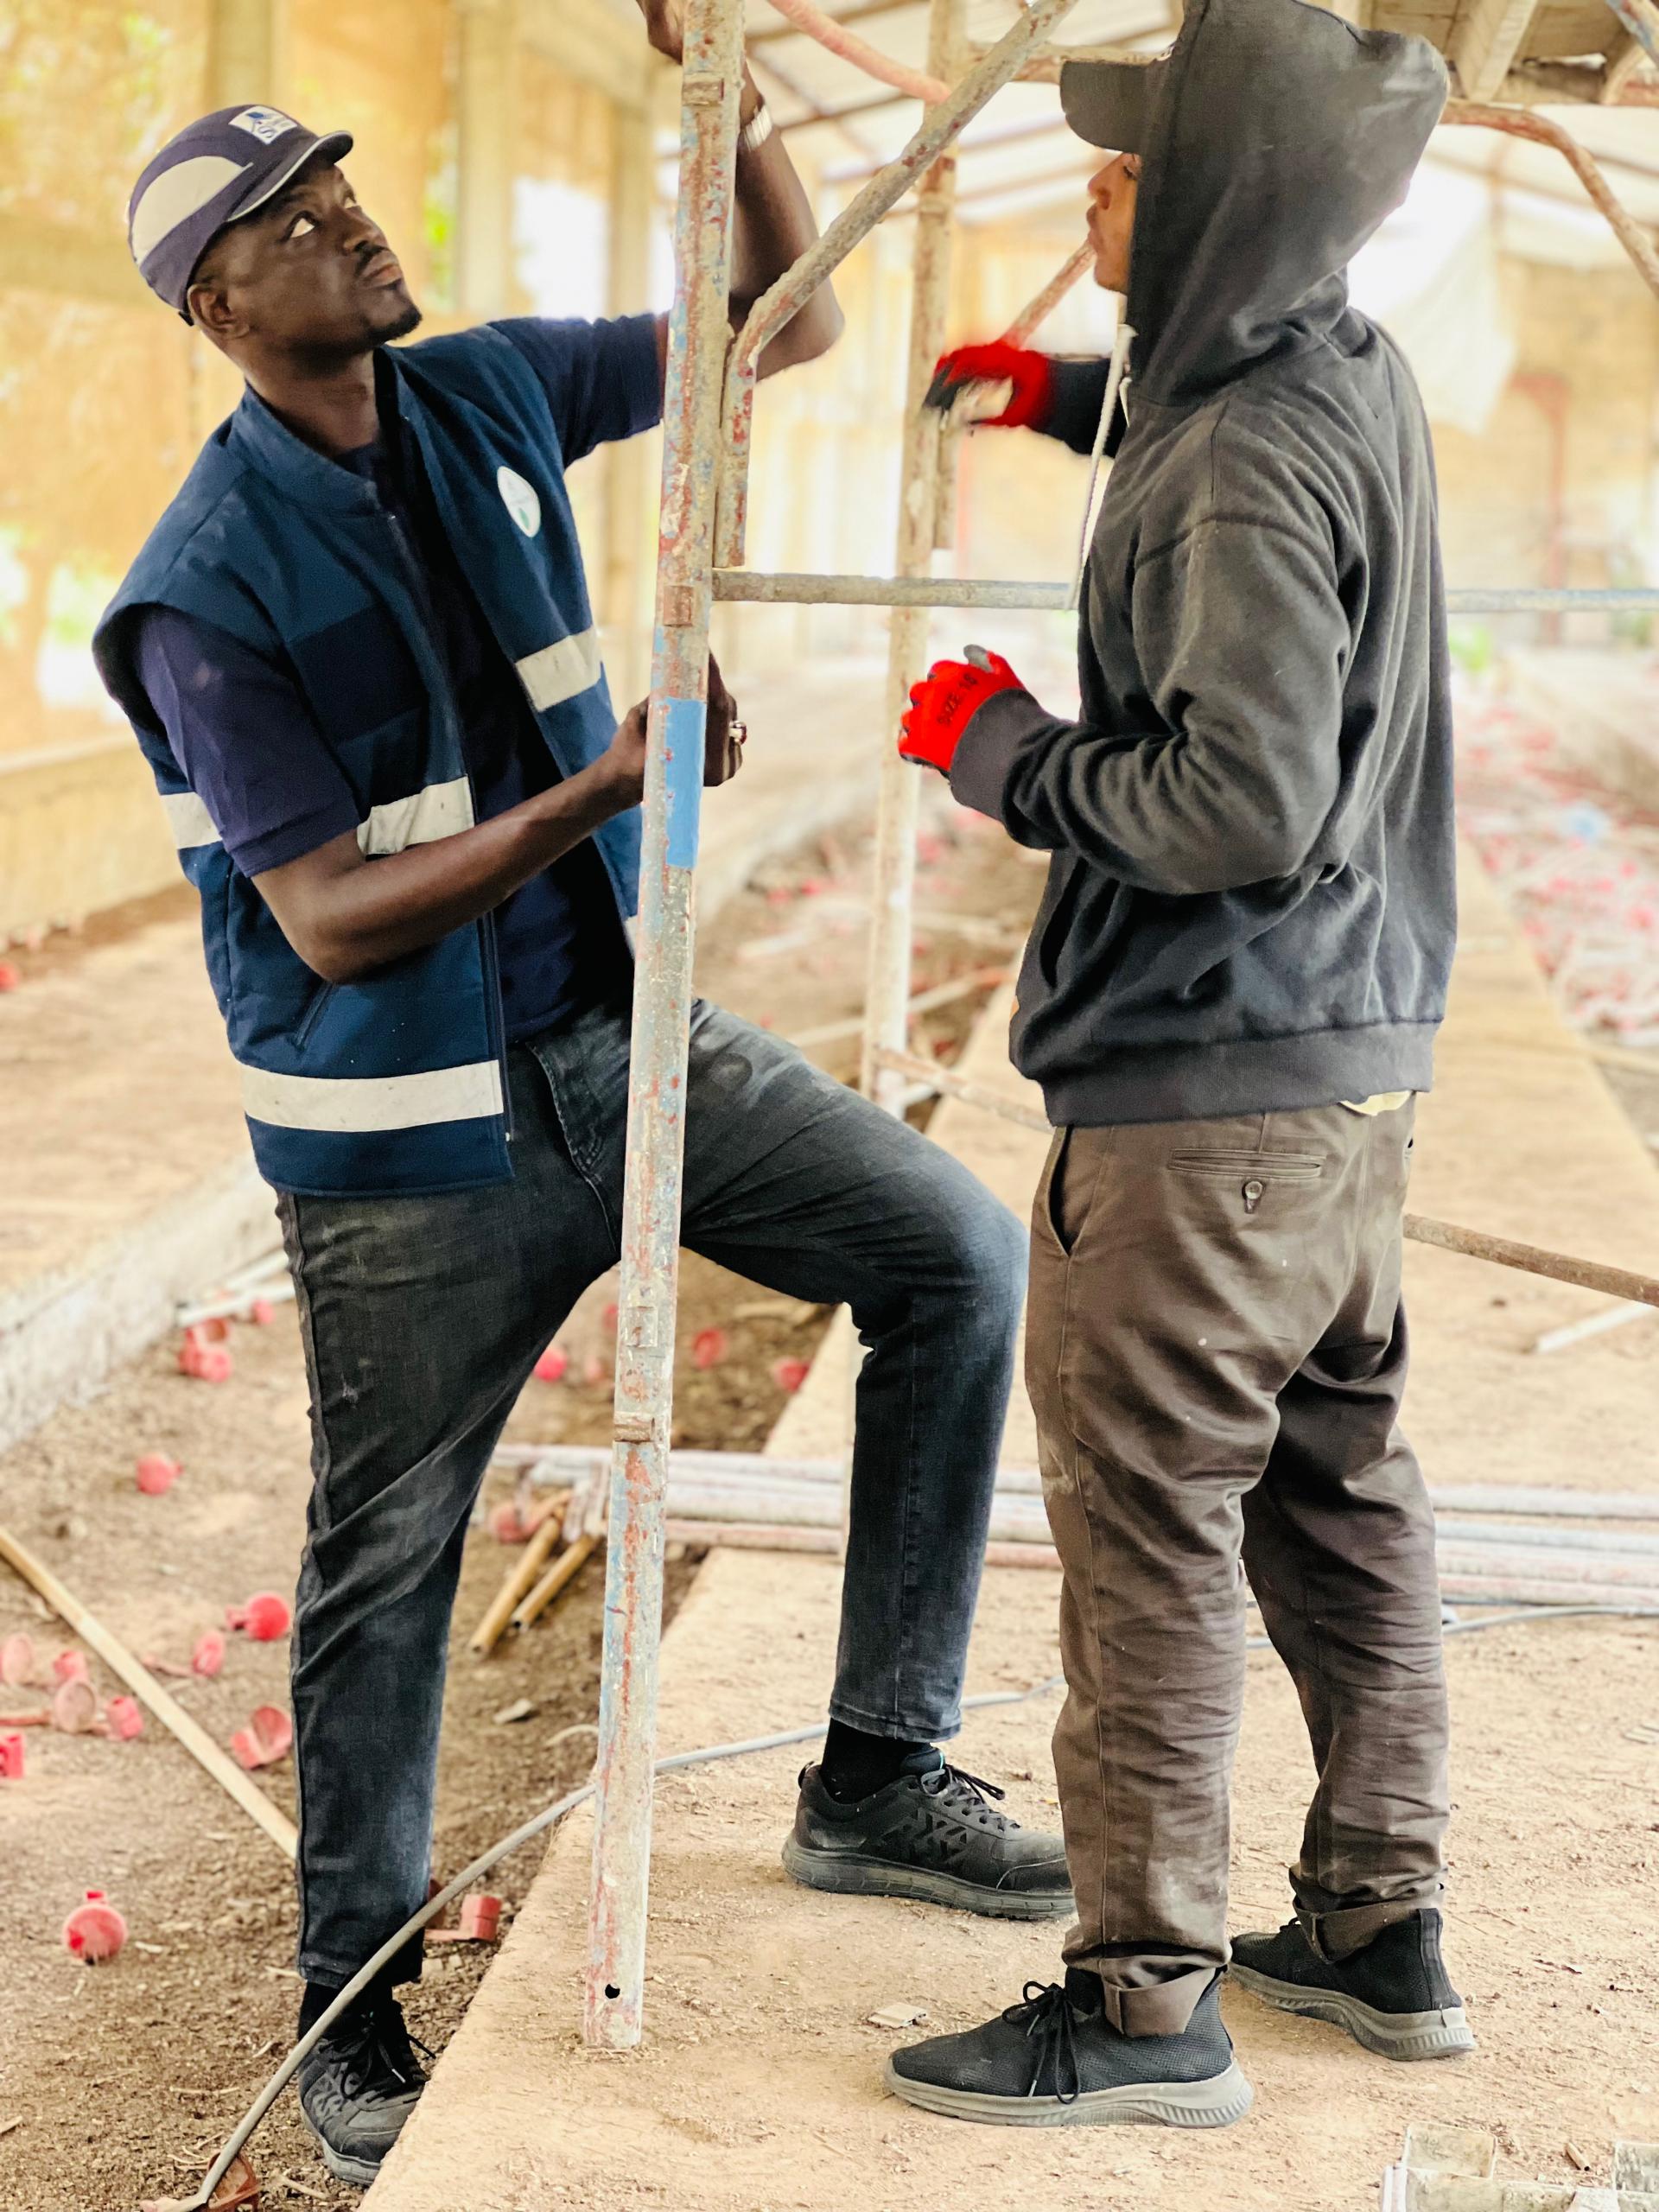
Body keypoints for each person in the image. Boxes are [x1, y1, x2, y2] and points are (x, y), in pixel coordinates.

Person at [96, 11, 1062, 2187]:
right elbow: (332, 918)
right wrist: (606, 786)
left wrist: (733, 88)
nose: (354, 221)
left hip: (625, 1040)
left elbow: (783, 321)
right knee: (390, 1553)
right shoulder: (199, 589)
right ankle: (353, 2014)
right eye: (298, 219)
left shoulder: (487, 389)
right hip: (412, 1140)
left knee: (950, 1253)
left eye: (345, 187)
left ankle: (877, 1770)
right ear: (218, 305)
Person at [884, 0, 1470, 2128]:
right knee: (1339, 1498)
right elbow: (1232, 479)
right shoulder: (1337, 370)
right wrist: (1062, 395)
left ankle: (1143, 2006)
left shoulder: (1233, 461)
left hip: (1203, 1102)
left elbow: (1239, 801)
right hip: (1345, 1083)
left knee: (1149, 1537)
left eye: (1133, 172)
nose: (1098, 197)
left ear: (1224, 195)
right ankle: (1382, 1924)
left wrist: (1004, 753)